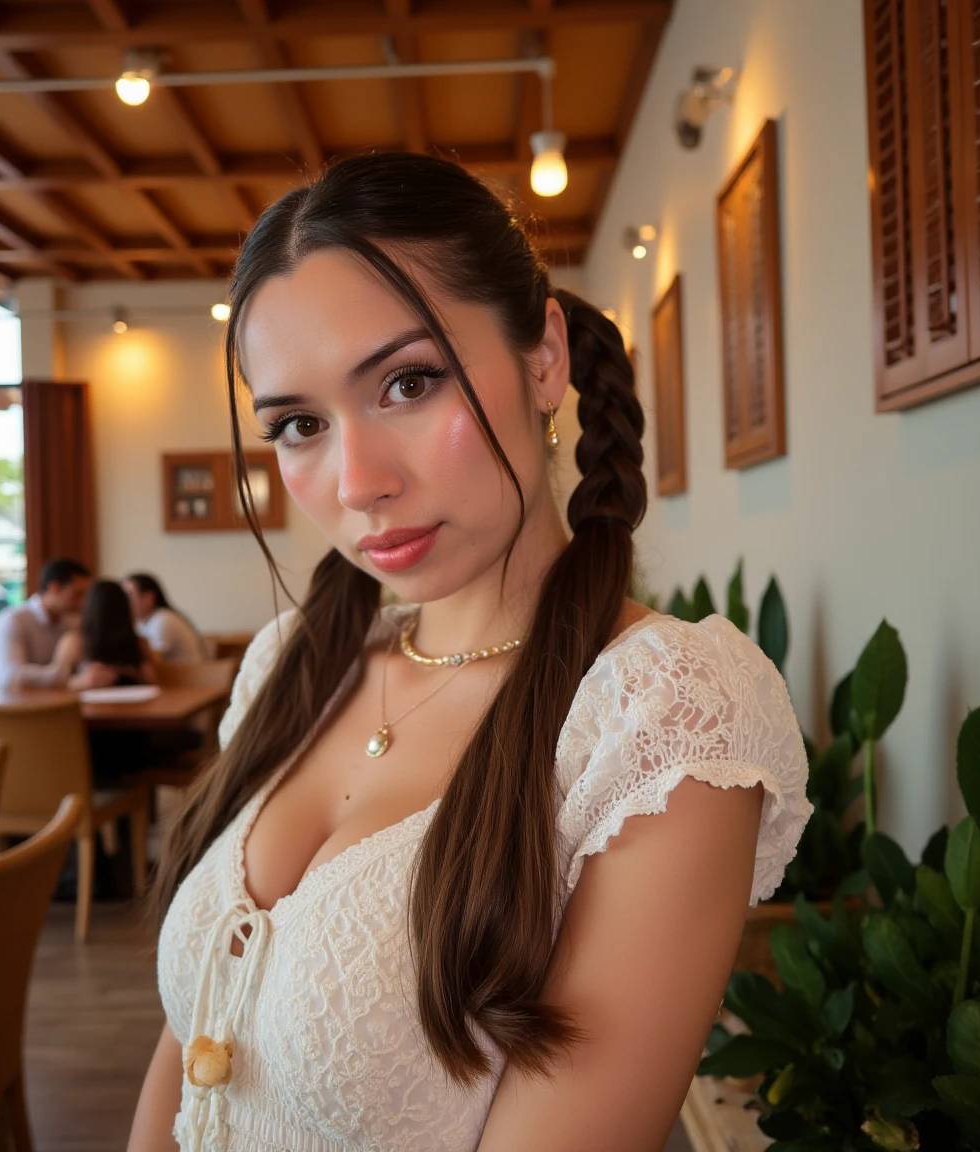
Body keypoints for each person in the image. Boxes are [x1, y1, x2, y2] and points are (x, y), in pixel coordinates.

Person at [130, 154, 813, 1152]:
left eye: (408, 383)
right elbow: (190, 1040)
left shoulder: (656, 719)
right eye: (300, 425)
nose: (358, 481)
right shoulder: (294, 667)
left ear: (544, 359)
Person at [0, 557, 95, 690]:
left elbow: (83, 672)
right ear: (54, 588)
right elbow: (10, 678)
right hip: (19, 708)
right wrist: (60, 671)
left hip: (60, 705)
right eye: (77, 594)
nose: (83, 602)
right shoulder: (13, 621)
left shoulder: (73, 622)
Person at [69, 580, 158, 691]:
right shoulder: (75, 642)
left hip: (127, 704)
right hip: (127, 706)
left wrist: (128, 672)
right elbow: (61, 683)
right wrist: (83, 681)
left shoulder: (139, 643)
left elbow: (152, 680)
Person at [123, 573, 208, 663]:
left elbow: (153, 661)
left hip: (189, 676)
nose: (123, 601)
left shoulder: (163, 619)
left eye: (129, 595)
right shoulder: (140, 622)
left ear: (149, 598)